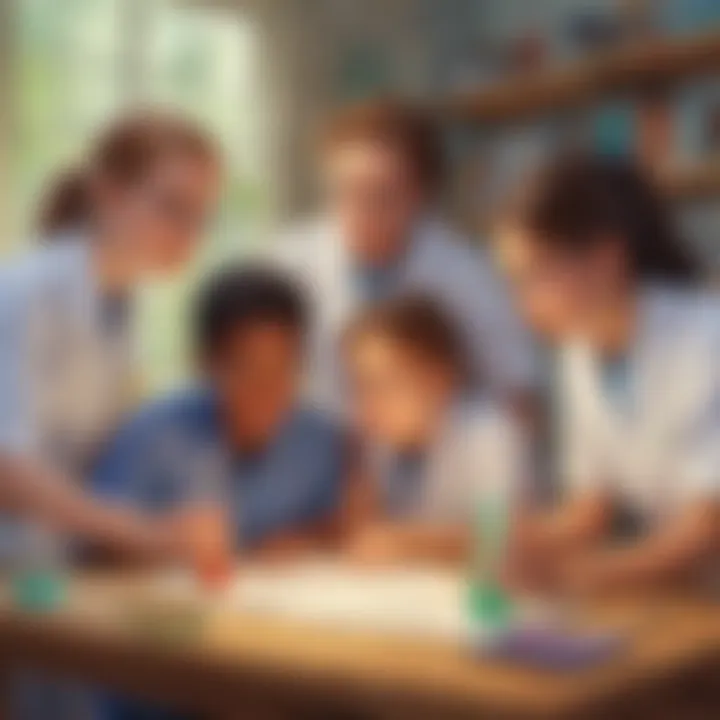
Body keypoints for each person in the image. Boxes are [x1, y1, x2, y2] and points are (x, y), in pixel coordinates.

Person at [494, 152, 719, 594]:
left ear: (605, 259)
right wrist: (523, 546)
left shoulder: (706, 336)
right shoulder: (579, 351)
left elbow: (708, 521)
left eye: (535, 274)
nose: (523, 302)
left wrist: (592, 575)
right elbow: (590, 507)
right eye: (514, 280)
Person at [0, 111, 222, 560]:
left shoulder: (122, 310)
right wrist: (136, 529)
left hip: (50, 568)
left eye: (201, 215)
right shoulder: (25, 292)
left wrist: (169, 516)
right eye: (173, 207)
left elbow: (98, 461)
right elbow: (7, 466)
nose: (189, 232)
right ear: (108, 195)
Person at [271, 99, 534, 411]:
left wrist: (471, 447)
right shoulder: (282, 269)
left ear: (420, 194)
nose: (360, 210)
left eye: (381, 194)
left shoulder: (466, 274)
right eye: (344, 190)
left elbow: (518, 391)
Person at [93, 266, 346, 560]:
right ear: (204, 363)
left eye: (283, 368)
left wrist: (307, 540)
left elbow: (341, 529)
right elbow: (96, 546)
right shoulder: (154, 435)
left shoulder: (319, 442)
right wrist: (158, 537)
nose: (267, 390)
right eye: (248, 369)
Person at [341, 295, 526, 565]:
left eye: (383, 384)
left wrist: (412, 543)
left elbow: (507, 539)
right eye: (359, 386)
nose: (368, 403)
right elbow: (364, 536)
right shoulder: (380, 447)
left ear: (439, 379)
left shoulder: (489, 436)